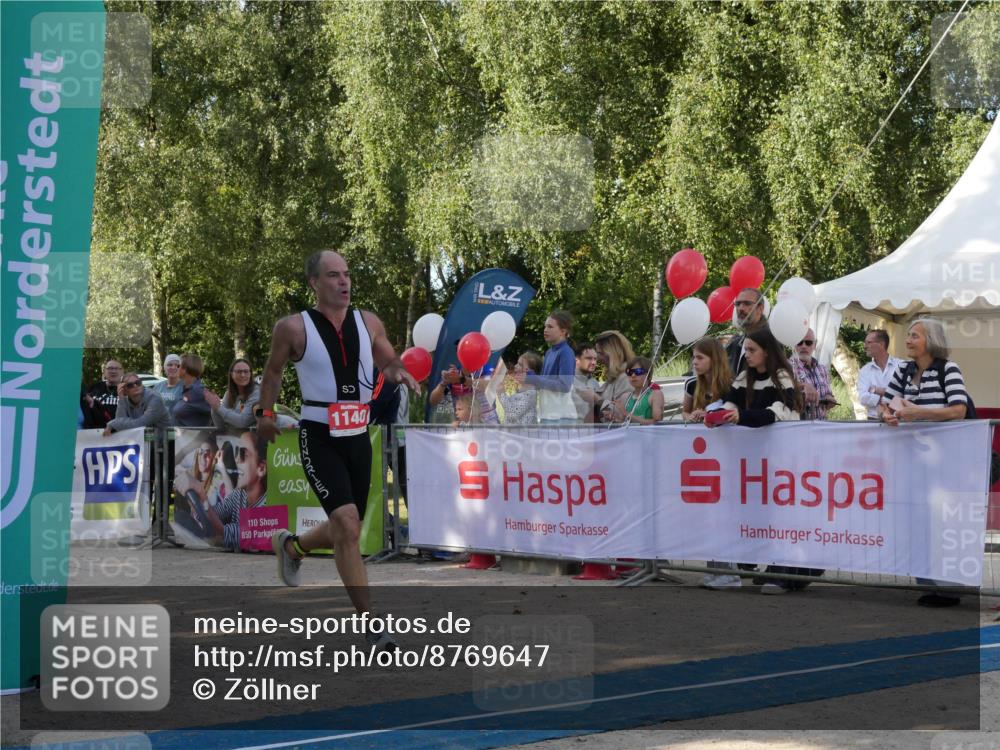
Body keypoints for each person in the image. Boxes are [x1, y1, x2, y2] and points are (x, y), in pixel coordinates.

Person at [256, 250, 419, 652]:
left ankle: (292, 546)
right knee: (346, 524)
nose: (344, 282)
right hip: (319, 433)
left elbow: (387, 360)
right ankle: (372, 627)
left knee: (347, 524)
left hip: (358, 435)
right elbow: (273, 371)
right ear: (314, 283)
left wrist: (397, 370)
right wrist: (265, 412)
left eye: (347, 274)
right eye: (333, 275)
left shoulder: (368, 321)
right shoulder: (293, 327)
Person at [879, 318, 971, 608]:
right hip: (913, 460)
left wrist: (918, 413)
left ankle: (951, 588)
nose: (908, 340)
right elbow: (887, 403)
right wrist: (888, 415)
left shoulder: (948, 369)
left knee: (944, 522)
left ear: (931, 340)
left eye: (914, 336)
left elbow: (958, 410)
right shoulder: (903, 371)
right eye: (908, 335)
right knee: (919, 521)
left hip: (946, 460)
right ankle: (929, 584)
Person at [703, 326, 802, 593]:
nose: (746, 355)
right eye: (745, 349)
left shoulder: (782, 377)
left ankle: (781, 574)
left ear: (767, 352)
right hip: (748, 460)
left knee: (778, 516)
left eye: (751, 350)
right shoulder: (745, 376)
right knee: (753, 513)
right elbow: (731, 402)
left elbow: (776, 413)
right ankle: (755, 566)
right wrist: (719, 416)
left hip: (779, 459)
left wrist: (740, 417)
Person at [522, 311, 577, 424]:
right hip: (548, 415)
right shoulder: (549, 352)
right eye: (545, 326)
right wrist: (531, 375)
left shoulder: (566, 352)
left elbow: (565, 386)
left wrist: (536, 379)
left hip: (561, 418)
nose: (545, 330)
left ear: (563, 331)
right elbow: (545, 383)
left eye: (550, 326)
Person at [789, 329, 838, 421]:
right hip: (799, 425)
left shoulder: (822, 369)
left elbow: (828, 393)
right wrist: (803, 386)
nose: (804, 346)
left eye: (808, 343)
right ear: (795, 345)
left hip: (822, 425)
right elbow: (783, 391)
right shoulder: (787, 367)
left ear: (815, 345)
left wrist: (830, 398)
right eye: (800, 342)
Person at [682, 337, 733, 423]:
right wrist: (690, 417)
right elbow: (685, 412)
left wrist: (709, 416)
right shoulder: (691, 383)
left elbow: (733, 415)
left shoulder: (731, 385)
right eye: (694, 357)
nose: (694, 362)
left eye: (700, 358)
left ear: (715, 360)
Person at [103, 372, 171, 436]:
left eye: (138, 382)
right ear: (124, 390)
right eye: (130, 385)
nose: (135, 386)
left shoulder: (155, 398)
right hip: (141, 442)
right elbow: (120, 422)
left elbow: (141, 424)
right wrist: (121, 398)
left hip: (163, 444)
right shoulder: (125, 400)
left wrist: (112, 423)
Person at [857, 329, 902, 421]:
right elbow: (863, 398)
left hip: (898, 420)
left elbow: (904, 394)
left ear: (881, 344)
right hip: (873, 420)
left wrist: (874, 390)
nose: (865, 346)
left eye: (869, 342)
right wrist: (890, 396)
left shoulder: (901, 365)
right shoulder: (864, 370)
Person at [209, 358, 260, 434]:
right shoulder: (229, 394)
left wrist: (219, 408)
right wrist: (214, 407)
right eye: (239, 372)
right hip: (233, 438)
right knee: (205, 444)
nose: (243, 375)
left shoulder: (257, 393)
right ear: (231, 374)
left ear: (250, 374)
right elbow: (221, 426)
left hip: (253, 439)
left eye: (246, 371)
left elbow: (242, 422)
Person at [593, 330, 636, 423]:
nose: (597, 357)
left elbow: (621, 415)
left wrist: (596, 399)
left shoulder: (627, 378)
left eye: (600, 353)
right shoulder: (613, 376)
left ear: (612, 354)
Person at [725, 288, 767, 375]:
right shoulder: (734, 343)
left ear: (760, 308)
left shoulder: (771, 340)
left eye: (747, 303)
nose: (740, 308)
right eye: (738, 304)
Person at [609, 356, 663, 425]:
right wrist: (613, 418)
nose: (633, 375)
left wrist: (626, 414)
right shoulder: (625, 396)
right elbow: (624, 421)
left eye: (638, 371)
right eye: (630, 372)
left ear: (648, 374)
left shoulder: (655, 395)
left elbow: (657, 423)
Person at [499, 352, 542, 425]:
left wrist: (501, 394)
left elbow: (512, 415)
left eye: (520, 364)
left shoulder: (530, 394)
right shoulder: (521, 391)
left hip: (521, 435)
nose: (515, 366)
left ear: (530, 372)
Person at [172, 353, 213, 427]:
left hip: (194, 437)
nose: (175, 368)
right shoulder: (186, 389)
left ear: (185, 369)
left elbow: (218, 413)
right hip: (180, 437)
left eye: (178, 366)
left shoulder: (198, 391)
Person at [82, 360, 123, 429]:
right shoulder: (94, 387)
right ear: (104, 372)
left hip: (119, 431)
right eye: (110, 368)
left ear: (122, 372)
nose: (113, 371)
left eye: (116, 368)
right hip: (94, 431)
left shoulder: (128, 388)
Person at [572, 342, 601, 423]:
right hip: (570, 431)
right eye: (589, 358)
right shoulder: (567, 382)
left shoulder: (595, 383)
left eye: (595, 359)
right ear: (577, 360)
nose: (593, 362)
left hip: (593, 432)